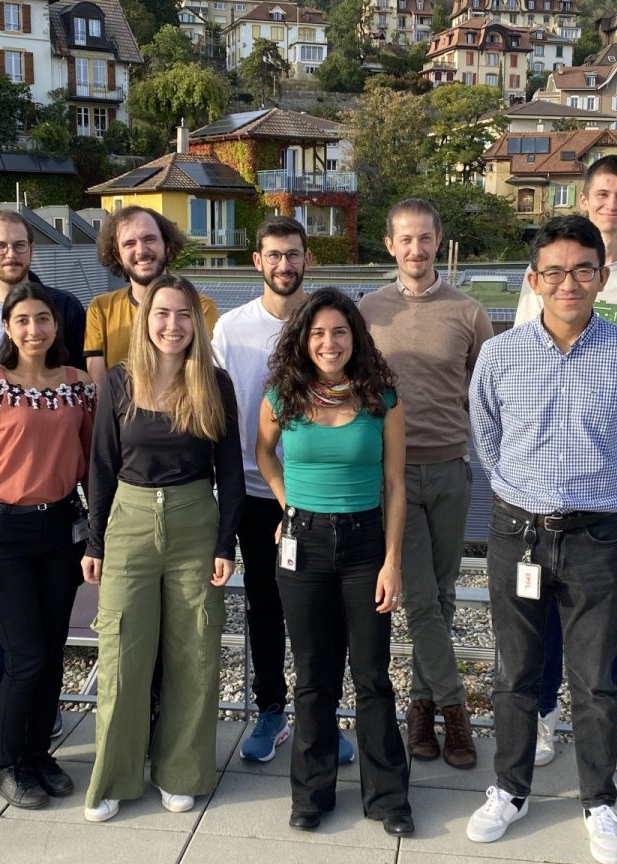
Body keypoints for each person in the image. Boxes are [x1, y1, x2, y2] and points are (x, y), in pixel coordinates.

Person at [467, 215, 617, 864]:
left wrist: (608, 495)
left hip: (595, 536)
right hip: (516, 531)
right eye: (553, 271)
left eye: (583, 269)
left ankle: (599, 801)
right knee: (516, 673)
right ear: (534, 280)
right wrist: (520, 490)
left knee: (594, 678)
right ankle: (510, 789)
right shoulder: (500, 353)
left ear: (602, 276)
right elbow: (488, 439)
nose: (569, 283)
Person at [515, 155, 617, 772]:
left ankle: (599, 724)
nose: (613, 203)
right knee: (542, 609)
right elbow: (525, 366)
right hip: (547, 481)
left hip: (608, 482)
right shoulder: (547, 265)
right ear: (584, 199)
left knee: (601, 611)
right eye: (602, 193)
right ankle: (544, 716)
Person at [80, 274, 242, 822]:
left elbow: (231, 471)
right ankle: (114, 776)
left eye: (183, 315)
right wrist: (95, 538)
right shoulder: (121, 382)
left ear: (197, 322)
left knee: (193, 650)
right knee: (122, 650)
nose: (172, 325)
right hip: (128, 520)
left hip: (196, 519)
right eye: (161, 314)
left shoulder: (215, 384)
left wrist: (227, 542)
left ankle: (181, 771)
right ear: (146, 322)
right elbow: (99, 466)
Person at [256, 287, 414, 837]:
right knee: (313, 675)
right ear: (303, 339)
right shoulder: (282, 396)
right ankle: (311, 793)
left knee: (372, 675)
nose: (329, 342)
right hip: (302, 545)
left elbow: (395, 485)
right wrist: (286, 502)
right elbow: (262, 453)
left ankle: (388, 797)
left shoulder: (382, 399)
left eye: (339, 332)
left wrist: (392, 562)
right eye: (318, 332)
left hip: (365, 544)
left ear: (355, 337)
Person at [213, 216, 356, 765]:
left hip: (321, 495)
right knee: (264, 605)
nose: (284, 265)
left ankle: (324, 715)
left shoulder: (326, 326)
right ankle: (271, 709)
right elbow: (220, 412)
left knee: (324, 611)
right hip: (252, 492)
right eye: (273, 255)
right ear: (258, 261)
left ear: (307, 259)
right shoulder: (231, 328)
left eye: (293, 254)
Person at [0, 210, 87, 744]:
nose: (11, 253)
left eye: (20, 244)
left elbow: (89, 448)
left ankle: (33, 723)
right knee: (7, 626)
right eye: (0, 245)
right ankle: (5, 717)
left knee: (45, 642)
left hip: (58, 522)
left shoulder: (70, 342)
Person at [360, 198, 492, 770]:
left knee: (439, 595)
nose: (416, 249)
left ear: (439, 241)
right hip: (392, 475)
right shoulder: (368, 311)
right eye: (404, 240)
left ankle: (419, 706)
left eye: (425, 238)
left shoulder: (469, 312)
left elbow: (487, 392)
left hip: (452, 471)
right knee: (417, 595)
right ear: (390, 246)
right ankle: (455, 711)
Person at [0, 282, 95, 809]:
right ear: (8, 329)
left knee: (52, 652)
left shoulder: (79, 387)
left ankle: (39, 754)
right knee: (26, 656)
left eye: (43, 319)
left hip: (60, 531)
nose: (34, 329)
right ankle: (7, 764)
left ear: (56, 326)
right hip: (3, 532)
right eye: (23, 321)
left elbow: (90, 465)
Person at [86, 206, 218, 388]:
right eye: (129, 244)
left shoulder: (201, 307)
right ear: (117, 255)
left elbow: (203, 374)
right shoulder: (100, 309)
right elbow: (100, 385)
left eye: (149, 239)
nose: (141, 250)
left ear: (167, 245)